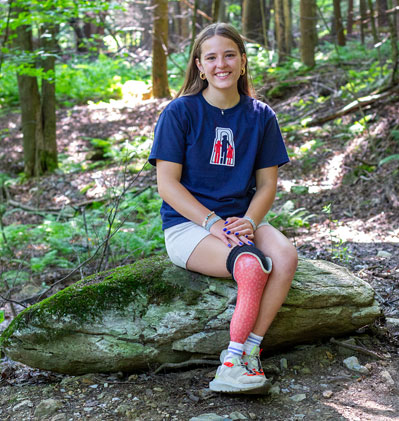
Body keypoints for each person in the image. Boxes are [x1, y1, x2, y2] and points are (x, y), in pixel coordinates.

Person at [148, 23, 298, 394]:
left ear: (243, 62)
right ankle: (229, 365)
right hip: (189, 226)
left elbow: (266, 185)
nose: (221, 64)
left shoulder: (261, 116)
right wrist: (213, 223)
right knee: (250, 265)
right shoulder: (179, 113)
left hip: (238, 221)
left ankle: (250, 351)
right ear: (199, 66)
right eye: (211, 57)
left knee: (284, 254)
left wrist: (248, 220)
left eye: (229, 55)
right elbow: (167, 185)